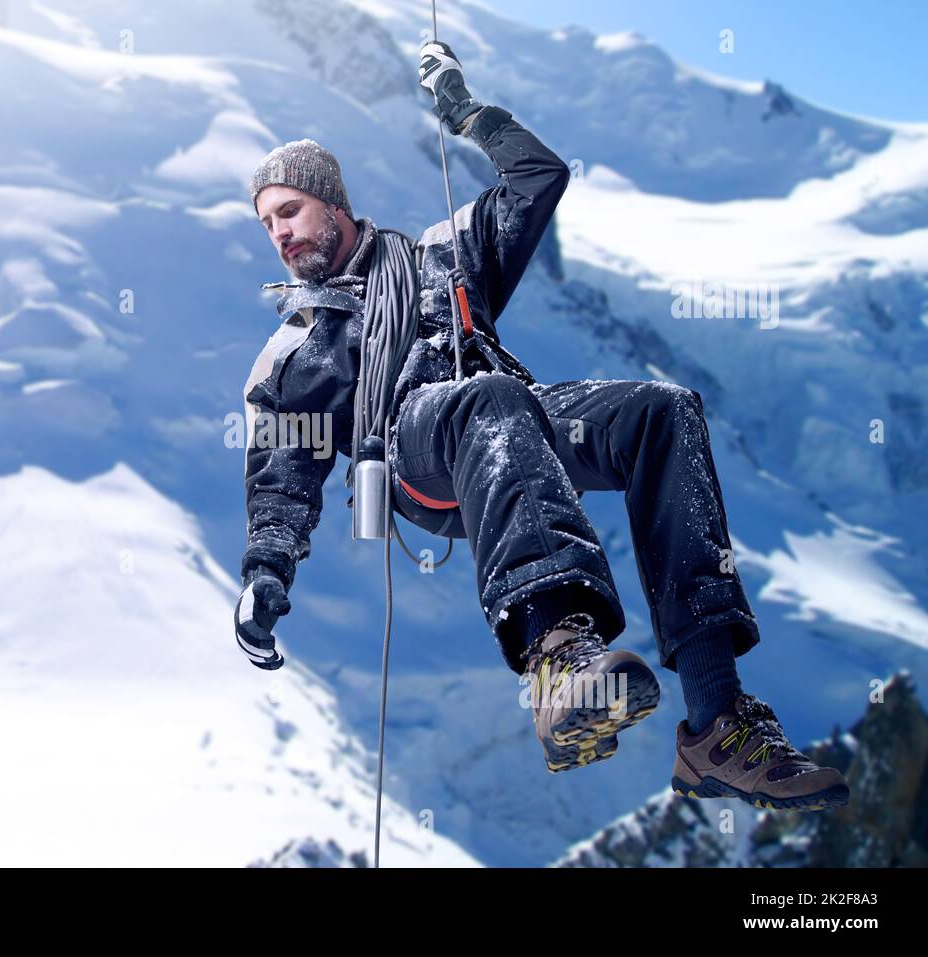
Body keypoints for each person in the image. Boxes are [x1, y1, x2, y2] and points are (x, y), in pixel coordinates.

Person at [233, 41, 848, 811]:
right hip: (416, 448)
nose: (280, 234)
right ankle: (556, 657)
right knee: (490, 398)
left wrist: (466, 109)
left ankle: (717, 723)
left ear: (331, 202)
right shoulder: (296, 348)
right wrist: (266, 572)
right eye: (267, 225)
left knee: (661, 413)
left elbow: (537, 178)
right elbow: (281, 470)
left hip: (509, 420)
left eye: (287, 210)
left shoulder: (438, 257)